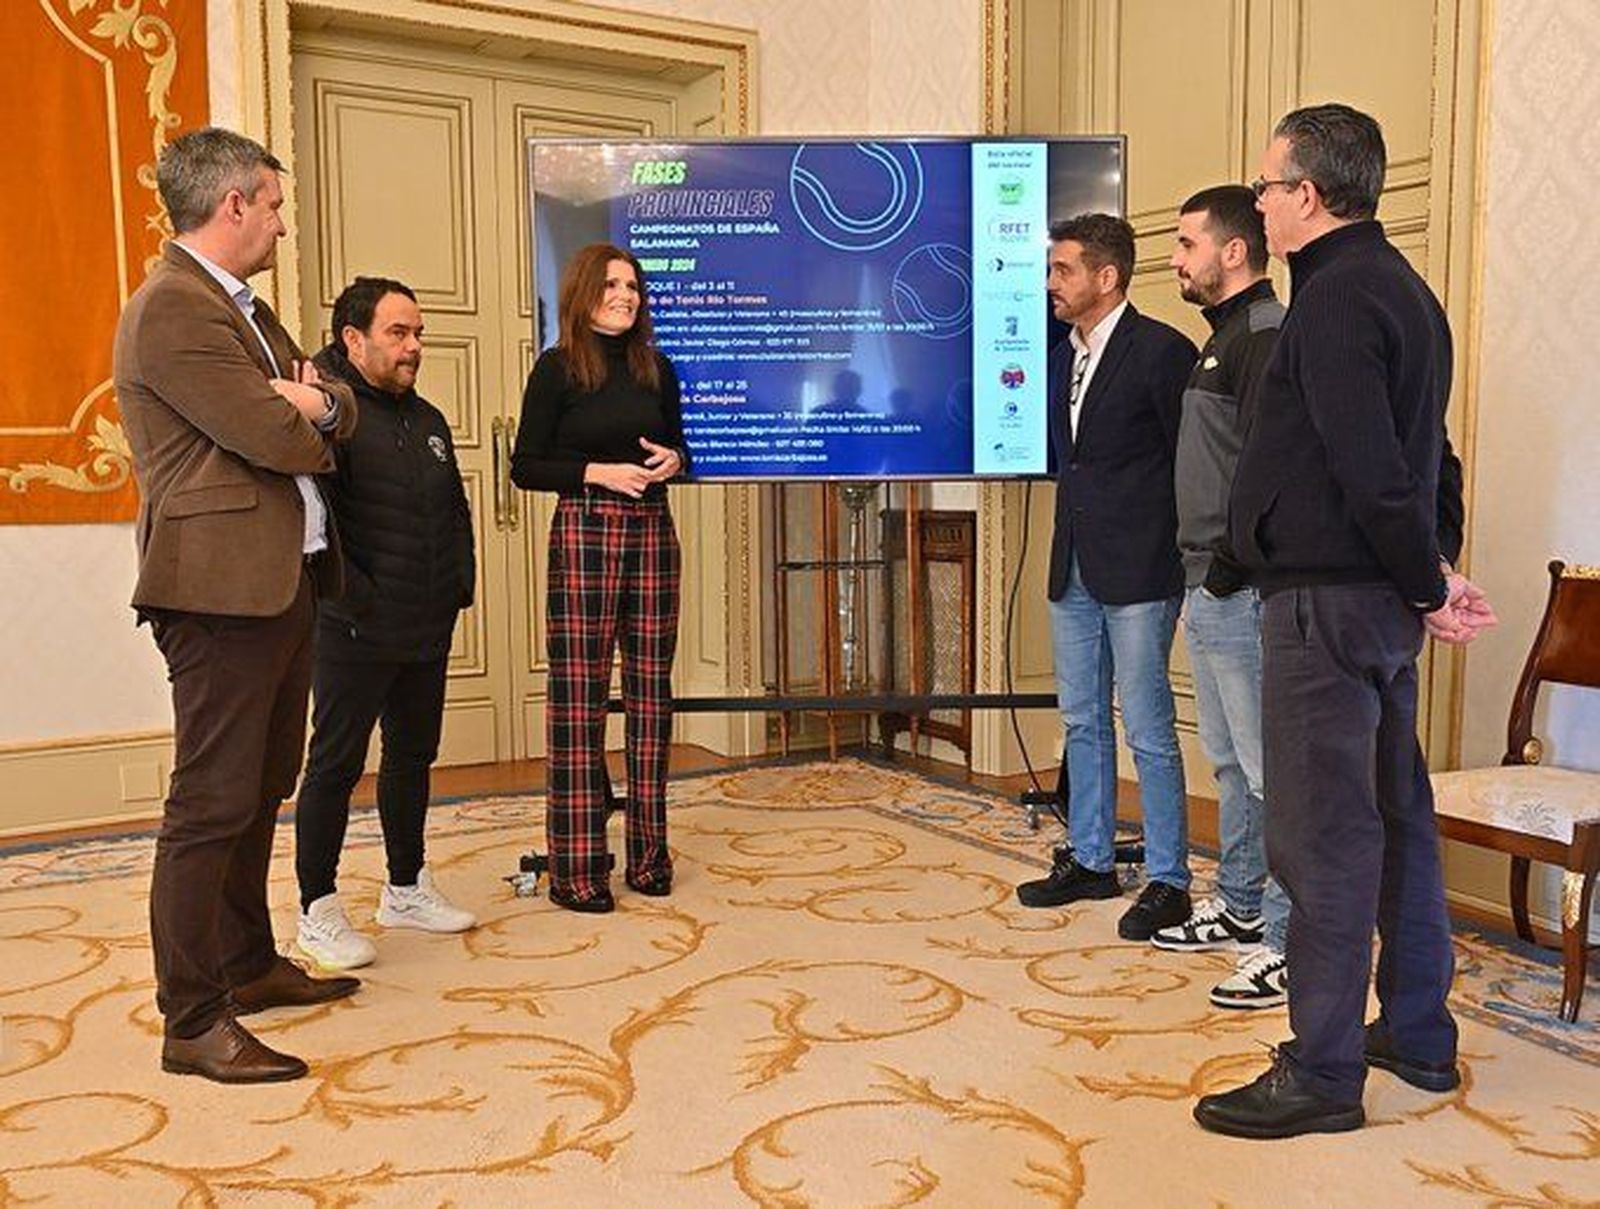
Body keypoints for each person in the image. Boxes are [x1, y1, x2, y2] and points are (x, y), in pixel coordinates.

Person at [1194, 104, 1496, 1140]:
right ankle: (1415, 1034)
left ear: (1306, 194)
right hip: (1371, 606)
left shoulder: (1328, 303)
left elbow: (1377, 471)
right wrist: (1434, 571)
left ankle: (1322, 1074)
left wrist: (1424, 580)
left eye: (1269, 187)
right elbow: (1431, 462)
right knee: (1396, 825)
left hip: (1327, 606)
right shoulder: (1403, 292)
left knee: (1321, 842)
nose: (1262, 202)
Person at [115, 127, 360, 1083]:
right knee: (209, 805)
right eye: (274, 204)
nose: (282, 223)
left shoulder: (244, 310)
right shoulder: (174, 308)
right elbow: (277, 433)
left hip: (281, 581)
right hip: (217, 591)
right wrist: (300, 411)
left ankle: (247, 963)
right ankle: (192, 1018)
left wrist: (316, 402)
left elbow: (333, 403)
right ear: (234, 207)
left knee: (262, 785)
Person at [1015, 214, 1200, 943]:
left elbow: (1191, 469)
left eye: (1061, 270)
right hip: (1076, 564)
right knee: (1082, 719)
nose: (1050, 283)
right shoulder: (1065, 354)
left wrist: (1188, 567)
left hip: (1143, 568)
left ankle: (1169, 878)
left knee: (1149, 729)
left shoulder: (1162, 352)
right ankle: (1091, 858)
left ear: (1106, 276)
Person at [291, 277, 478, 970]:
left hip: (426, 623)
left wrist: (459, 582)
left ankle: (405, 886)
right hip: (353, 627)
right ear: (353, 338)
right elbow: (320, 522)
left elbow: (454, 508)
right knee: (335, 766)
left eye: (418, 333)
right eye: (399, 333)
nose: (415, 347)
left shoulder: (425, 418)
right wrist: (357, 599)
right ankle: (317, 908)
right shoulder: (329, 415)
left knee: (412, 757)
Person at [510, 243, 689, 913]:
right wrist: (597, 472)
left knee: (650, 698)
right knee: (579, 701)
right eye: (613, 284)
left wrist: (674, 458)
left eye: (634, 286)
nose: (626, 294)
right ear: (584, 293)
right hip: (585, 529)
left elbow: (681, 448)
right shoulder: (556, 370)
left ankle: (648, 857)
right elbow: (525, 466)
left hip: (651, 530)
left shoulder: (657, 368)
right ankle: (577, 868)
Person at [1149, 186, 1292, 1008]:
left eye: (1186, 242)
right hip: (1206, 578)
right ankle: (1241, 907)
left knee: (1270, 771)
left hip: (1239, 586)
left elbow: (1271, 468)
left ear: (1233, 252)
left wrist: (1234, 567)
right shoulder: (1223, 339)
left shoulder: (1264, 336)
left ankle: (1282, 937)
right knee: (1232, 762)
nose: (1176, 257)